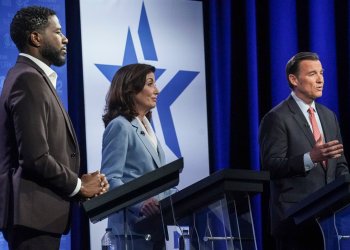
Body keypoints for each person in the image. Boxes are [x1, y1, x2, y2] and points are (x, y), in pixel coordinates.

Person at [0, 6, 109, 250]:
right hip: (32, 217)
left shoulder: (29, 77)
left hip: (38, 218)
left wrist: (80, 180)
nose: (65, 38)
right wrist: (80, 186)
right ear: (35, 38)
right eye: (57, 32)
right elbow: (35, 157)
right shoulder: (27, 79)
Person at [259, 51, 349, 250]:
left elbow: (340, 163)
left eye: (322, 73)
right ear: (294, 79)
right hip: (295, 223)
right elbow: (271, 165)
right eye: (312, 74)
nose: (320, 80)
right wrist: (310, 157)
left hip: (331, 221)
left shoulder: (329, 116)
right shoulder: (277, 118)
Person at [101, 63, 175, 250]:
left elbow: (160, 184)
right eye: (150, 83)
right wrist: (140, 204)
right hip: (129, 234)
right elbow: (110, 180)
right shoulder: (120, 126)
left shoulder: (148, 130)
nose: (156, 90)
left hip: (155, 230)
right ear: (130, 90)